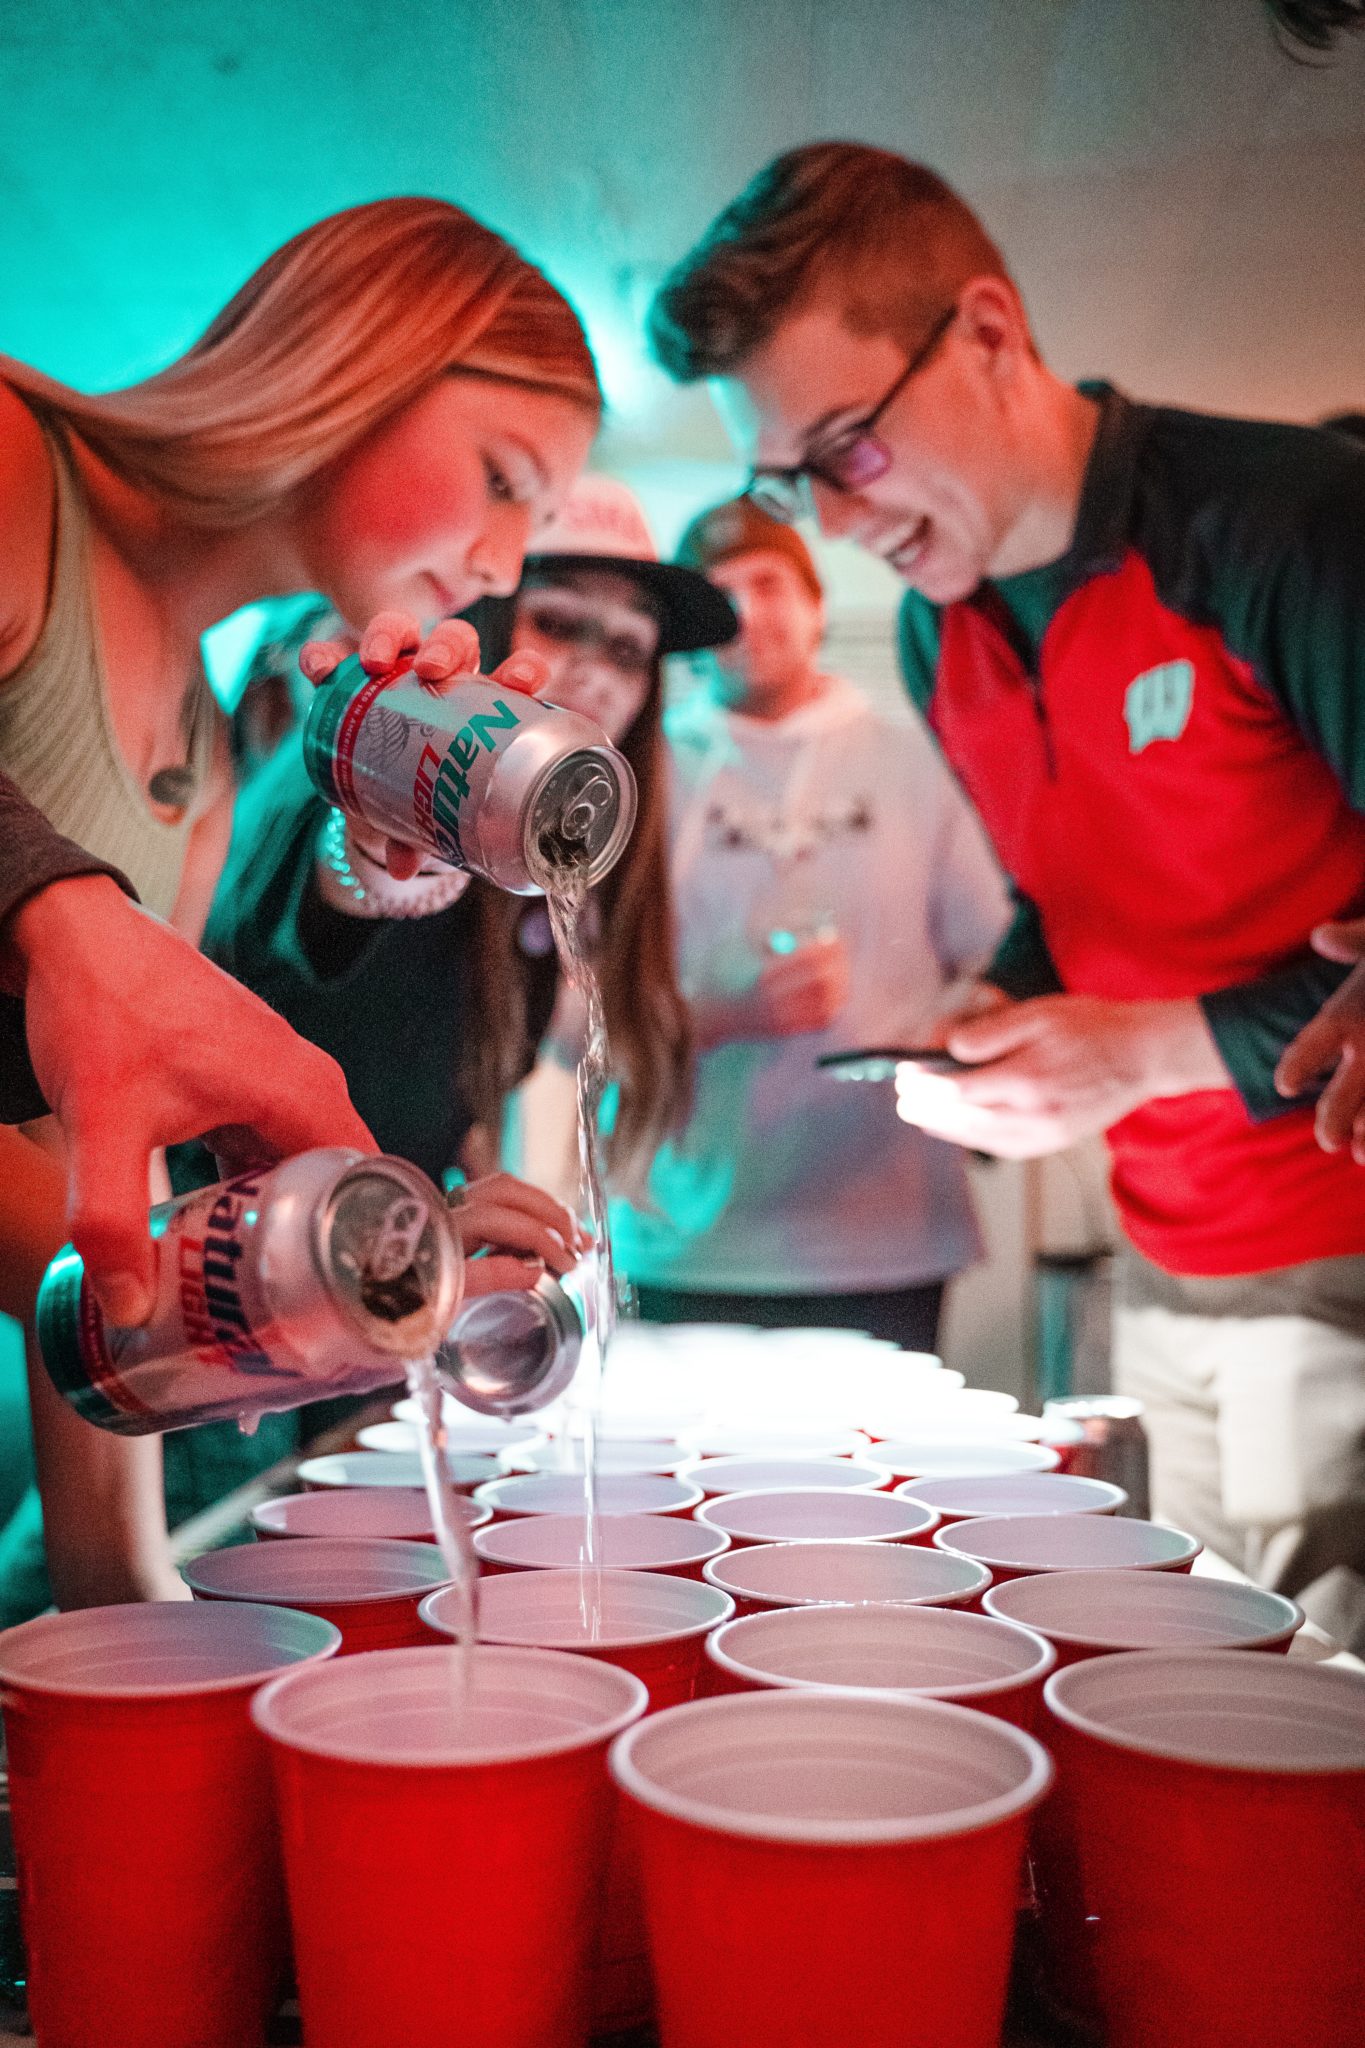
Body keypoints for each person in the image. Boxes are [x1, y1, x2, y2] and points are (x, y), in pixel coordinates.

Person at [649, 142, 1365, 1648]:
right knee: (1204, 1664)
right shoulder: (938, 635)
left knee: (1320, 1704)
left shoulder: (1282, 522)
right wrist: (1001, 1003)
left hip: (1336, 1238)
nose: (833, 525)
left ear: (986, 328)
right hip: (1159, 1241)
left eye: (846, 447)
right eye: (789, 480)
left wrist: (1142, 1050)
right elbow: (1068, 896)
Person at [0, 195, 604, 1611]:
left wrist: (364, 1263)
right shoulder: (23, 469)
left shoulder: (200, 761)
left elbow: (88, 1188)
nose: (509, 567)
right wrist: (63, 908)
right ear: (362, 359)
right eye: (507, 477)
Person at [0, 475, 734, 1619]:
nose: (595, 665)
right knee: (121, 1631)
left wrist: (455, 1231)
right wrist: (383, 839)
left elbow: (457, 1093)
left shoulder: (544, 899)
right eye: (562, 621)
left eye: (630, 650)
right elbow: (313, 905)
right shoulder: (410, 816)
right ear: (492, 637)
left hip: (352, 1297)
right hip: (214, 1274)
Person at [609, 495, 1009, 1350]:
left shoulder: (916, 756)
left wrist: (953, 1037)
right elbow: (568, 1024)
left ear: (816, 604)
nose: (749, 612)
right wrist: (724, 1015)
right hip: (688, 1235)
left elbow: (994, 959)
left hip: (886, 1226)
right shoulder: (636, 776)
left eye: (768, 583)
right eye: (722, 594)